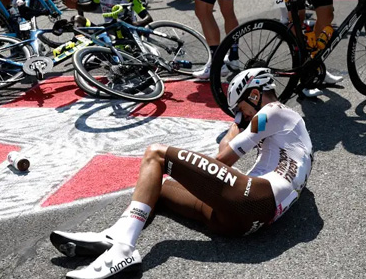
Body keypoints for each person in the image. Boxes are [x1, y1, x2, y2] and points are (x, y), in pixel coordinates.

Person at [49, 68, 313, 279]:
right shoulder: (294, 135)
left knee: (157, 155)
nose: (240, 116)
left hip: (252, 199)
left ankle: (123, 247)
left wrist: (237, 124)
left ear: (255, 95)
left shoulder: (273, 111)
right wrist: (238, 120)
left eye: (240, 108)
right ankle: (114, 235)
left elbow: (223, 159)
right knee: (160, 189)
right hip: (244, 224)